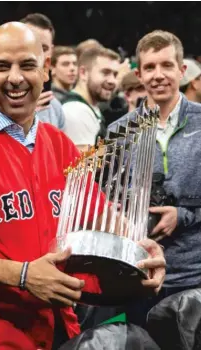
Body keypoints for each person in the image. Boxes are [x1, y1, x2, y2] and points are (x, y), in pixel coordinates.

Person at [0, 22, 165, 350]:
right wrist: (22, 275)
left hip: (59, 324)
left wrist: (140, 249)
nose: (15, 78)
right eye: (3, 66)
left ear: (45, 70)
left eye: (27, 65)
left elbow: (98, 215)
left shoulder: (59, 144)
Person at [108, 30, 201, 326]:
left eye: (166, 65)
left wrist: (183, 215)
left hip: (195, 275)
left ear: (182, 70)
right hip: (142, 275)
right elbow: (107, 200)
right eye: (149, 67)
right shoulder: (118, 132)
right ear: (139, 74)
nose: (158, 75)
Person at [62, 47, 120, 150]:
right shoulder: (76, 111)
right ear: (83, 73)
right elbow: (84, 165)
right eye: (105, 72)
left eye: (115, 74)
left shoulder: (90, 106)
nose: (112, 81)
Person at [20, 13, 66, 130]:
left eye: (44, 48)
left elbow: (61, 148)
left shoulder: (55, 107)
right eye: (30, 44)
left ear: (51, 52)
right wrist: (19, 116)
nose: (36, 54)